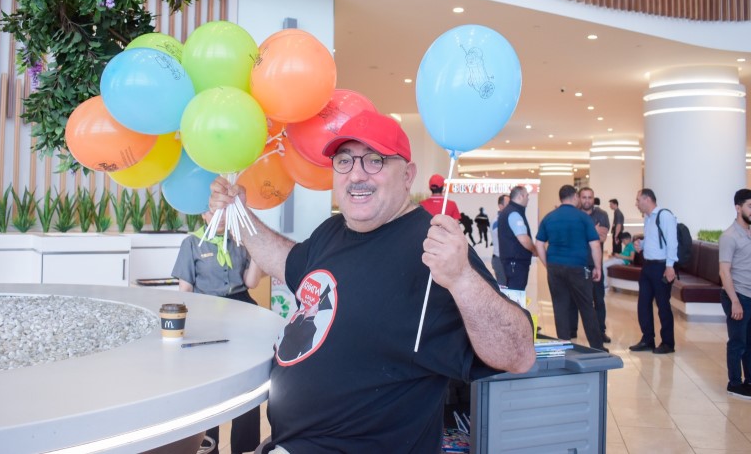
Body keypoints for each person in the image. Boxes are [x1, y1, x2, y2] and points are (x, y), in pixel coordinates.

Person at [207, 110, 535, 453]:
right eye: (344, 160)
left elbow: (519, 355)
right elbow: (289, 262)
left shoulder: (432, 248)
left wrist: (462, 279)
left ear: (407, 175)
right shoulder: (333, 230)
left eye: (374, 160)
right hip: (290, 443)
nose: (356, 175)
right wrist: (238, 215)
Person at [172, 214, 264, 454]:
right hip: (208, 315)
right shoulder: (192, 243)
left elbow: (251, 282)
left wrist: (256, 251)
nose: (219, 217)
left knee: (245, 381)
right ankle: (207, 447)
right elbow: (185, 290)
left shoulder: (240, 241)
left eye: (224, 212)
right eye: (213, 211)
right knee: (209, 384)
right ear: (203, 213)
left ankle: (246, 449)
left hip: (242, 312)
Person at [534, 185, 605, 350]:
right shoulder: (583, 217)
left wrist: (548, 264)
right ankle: (597, 347)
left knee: (560, 307)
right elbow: (595, 245)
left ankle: (563, 346)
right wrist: (597, 267)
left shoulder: (549, 217)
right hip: (578, 268)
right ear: (575, 197)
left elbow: (539, 244)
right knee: (587, 307)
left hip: (555, 268)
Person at [629, 188, 678, 354]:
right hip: (648, 266)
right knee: (643, 304)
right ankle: (647, 339)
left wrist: (670, 266)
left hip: (661, 267)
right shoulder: (648, 218)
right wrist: (641, 244)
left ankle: (668, 343)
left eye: (638, 200)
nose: (636, 204)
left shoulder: (665, 216)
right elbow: (654, 240)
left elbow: (672, 242)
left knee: (663, 306)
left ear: (647, 199)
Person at [718, 188, 751, 400]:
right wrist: (735, 302)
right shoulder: (729, 236)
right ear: (738, 208)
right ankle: (734, 383)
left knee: (750, 342)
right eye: (750, 206)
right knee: (738, 342)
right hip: (737, 296)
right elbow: (724, 271)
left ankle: (749, 381)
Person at [576, 187, 611, 342]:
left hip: (595, 264)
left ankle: (600, 331)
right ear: (579, 198)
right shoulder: (575, 213)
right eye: (584, 197)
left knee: (598, 299)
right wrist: (593, 230)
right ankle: (572, 332)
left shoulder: (602, 214)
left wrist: (583, 231)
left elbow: (602, 238)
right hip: (577, 264)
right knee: (577, 300)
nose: (587, 200)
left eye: (590, 197)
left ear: (593, 198)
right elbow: (574, 237)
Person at [497, 185, 537, 290]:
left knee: (513, 292)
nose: (528, 199)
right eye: (527, 196)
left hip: (511, 262)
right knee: (516, 293)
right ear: (520, 196)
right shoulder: (514, 213)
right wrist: (534, 250)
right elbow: (523, 239)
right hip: (516, 263)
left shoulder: (508, 211)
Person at [490, 194, 509, 286]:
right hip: (500, 260)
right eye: (508, 204)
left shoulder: (507, 219)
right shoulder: (497, 221)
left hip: (506, 260)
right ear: (500, 206)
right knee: (503, 288)